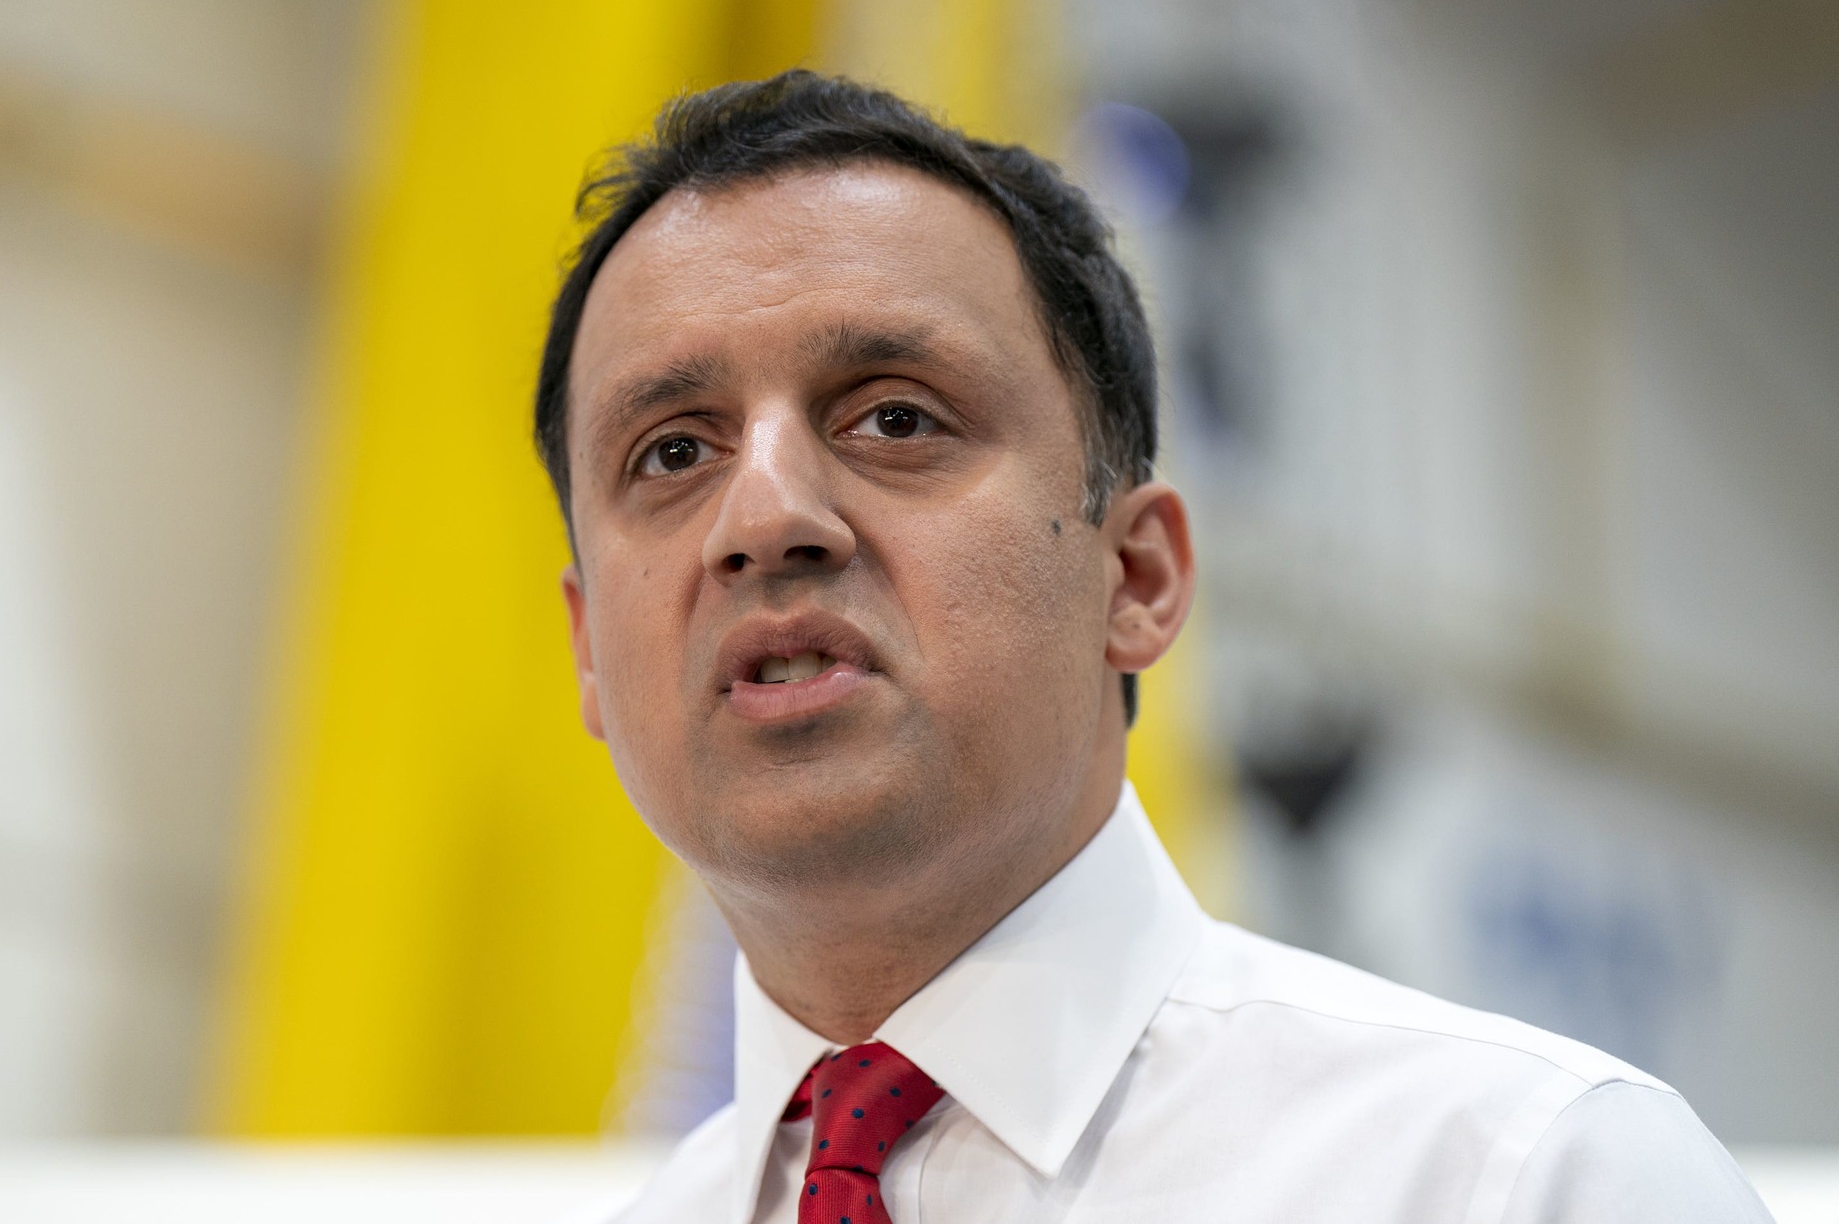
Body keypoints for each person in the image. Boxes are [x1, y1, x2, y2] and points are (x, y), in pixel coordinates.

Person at [537, 72, 1770, 1224]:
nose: (763, 518)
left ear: (1136, 577)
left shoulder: (1524, 1180)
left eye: (895, 417)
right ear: (591, 650)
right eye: (674, 452)